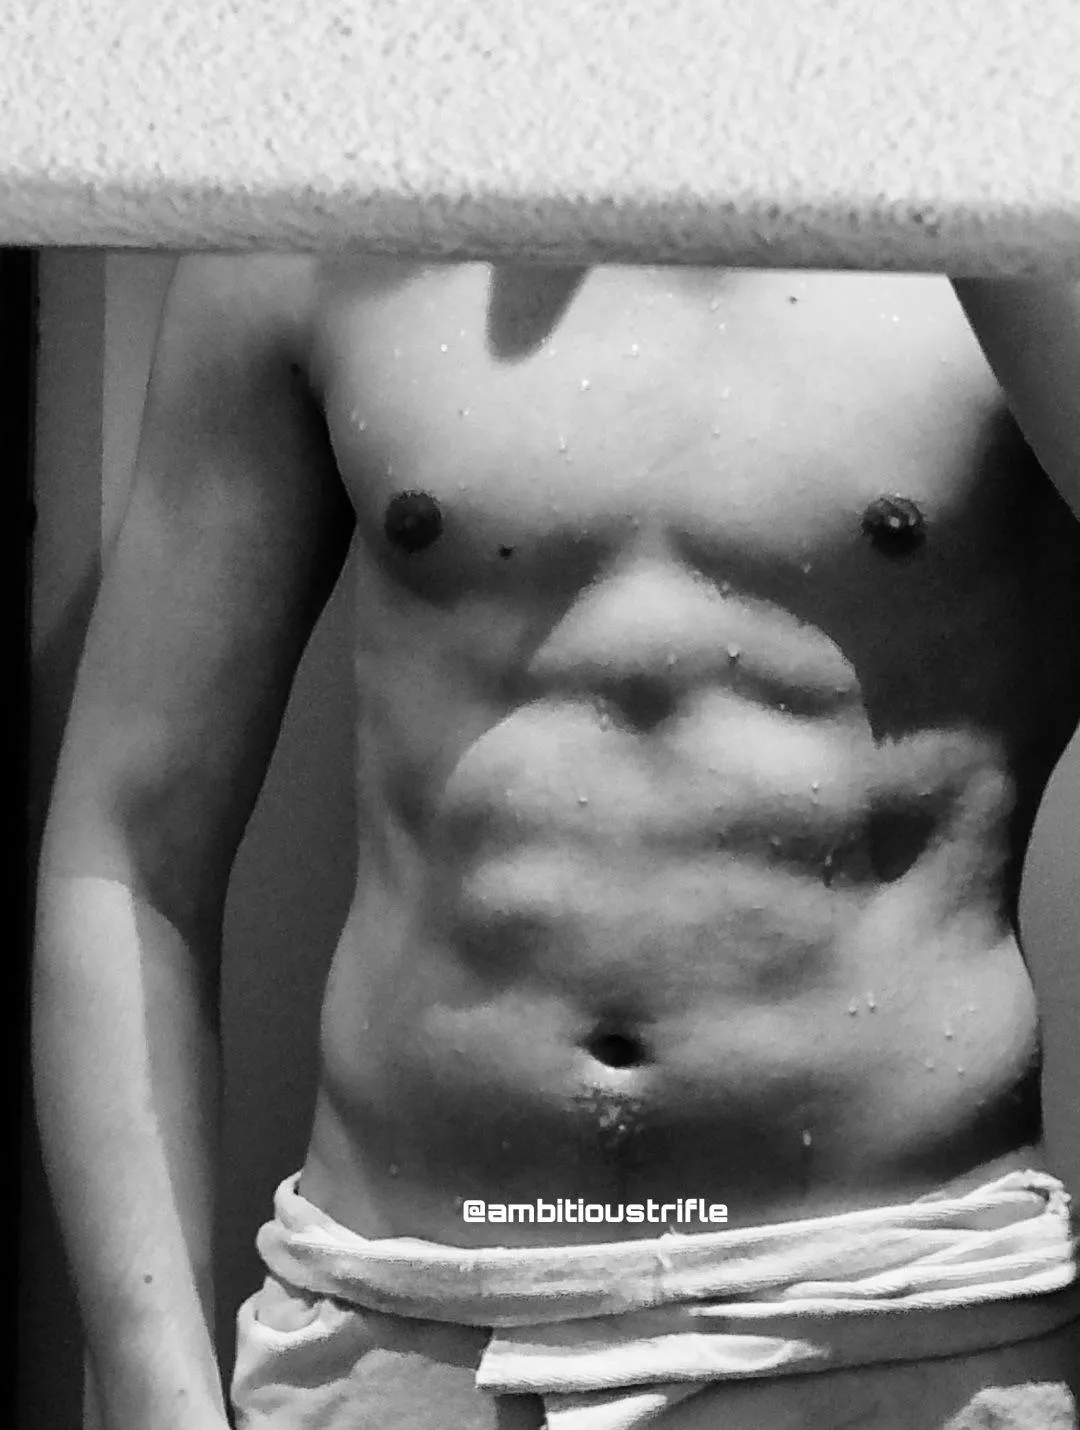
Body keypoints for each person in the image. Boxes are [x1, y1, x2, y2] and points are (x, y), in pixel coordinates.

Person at [32, 254, 1080, 1430]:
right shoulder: (325, 219)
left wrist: (998, 213)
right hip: (401, 1320)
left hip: (905, 1314)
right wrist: (153, 1398)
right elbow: (130, 848)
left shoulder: (1012, 207)